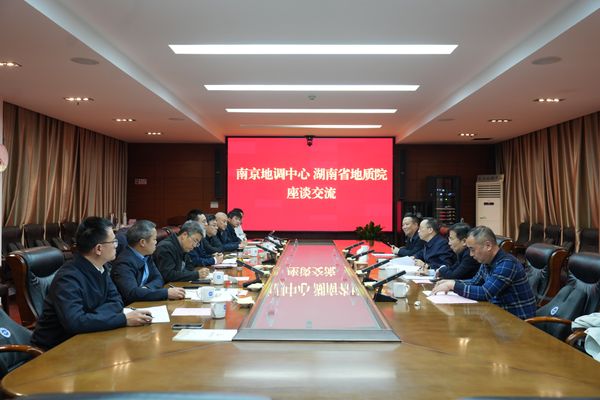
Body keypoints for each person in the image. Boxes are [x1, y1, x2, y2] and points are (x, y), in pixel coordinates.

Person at [31, 217, 152, 350]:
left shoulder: (101, 267)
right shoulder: (68, 278)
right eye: (113, 241)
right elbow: (75, 322)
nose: (116, 246)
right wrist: (123, 319)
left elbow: (117, 301)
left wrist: (90, 317)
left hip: (88, 338)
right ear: (99, 248)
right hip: (56, 349)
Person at [431, 225, 536, 319]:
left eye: (472, 249)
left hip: (517, 320)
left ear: (488, 246)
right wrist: (451, 283)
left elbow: (485, 293)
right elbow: (475, 282)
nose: (471, 254)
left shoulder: (507, 264)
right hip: (497, 314)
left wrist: (454, 285)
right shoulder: (487, 261)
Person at [111, 220, 185, 305]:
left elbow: (159, 278)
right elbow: (132, 293)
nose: (156, 242)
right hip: (131, 307)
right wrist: (166, 293)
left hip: (145, 301)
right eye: (154, 239)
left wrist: (146, 288)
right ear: (142, 242)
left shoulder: (147, 255)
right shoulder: (124, 263)